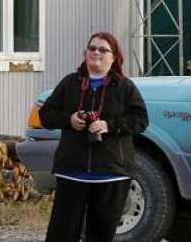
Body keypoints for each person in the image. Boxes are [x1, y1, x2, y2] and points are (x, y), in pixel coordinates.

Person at [39, 32, 149, 242]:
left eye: (103, 49)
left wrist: (110, 125)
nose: (96, 52)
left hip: (111, 173)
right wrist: (68, 120)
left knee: (101, 235)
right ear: (85, 53)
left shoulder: (125, 87)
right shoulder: (70, 83)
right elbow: (46, 115)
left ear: (114, 57)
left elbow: (141, 120)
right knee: (61, 235)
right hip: (72, 171)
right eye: (92, 48)